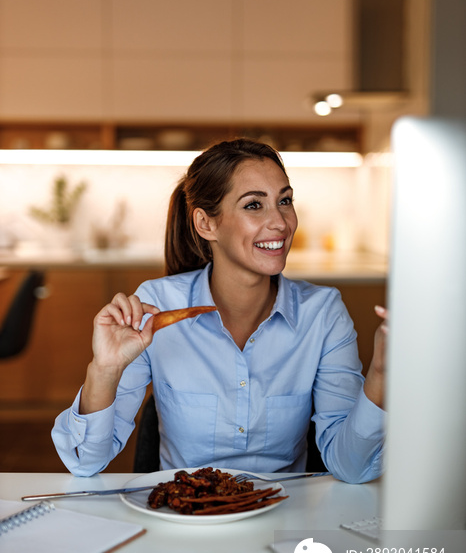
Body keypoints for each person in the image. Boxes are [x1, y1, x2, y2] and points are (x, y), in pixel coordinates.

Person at [52, 138, 387, 482]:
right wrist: (105, 370)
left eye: (284, 201)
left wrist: (381, 374)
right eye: (254, 205)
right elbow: (84, 461)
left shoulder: (322, 313)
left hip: (284, 519)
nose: (281, 223)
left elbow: (352, 467)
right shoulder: (157, 308)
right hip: (185, 516)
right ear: (206, 224)